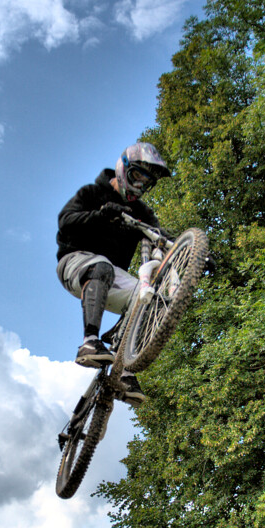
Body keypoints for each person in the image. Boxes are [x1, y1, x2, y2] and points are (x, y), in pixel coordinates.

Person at [56, 142, 170, 408]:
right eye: (136, 178)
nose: (140, 187)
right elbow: (65, 221)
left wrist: (192, 250)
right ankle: (89, 342)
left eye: (146, 183)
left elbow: (160, 234)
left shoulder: (141, 211)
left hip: (112, 275)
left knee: (149, 299)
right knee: (103, 265)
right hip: (75, 262)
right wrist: (100, 214)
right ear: (123, 169)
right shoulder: (93, 192)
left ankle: (124, 370)